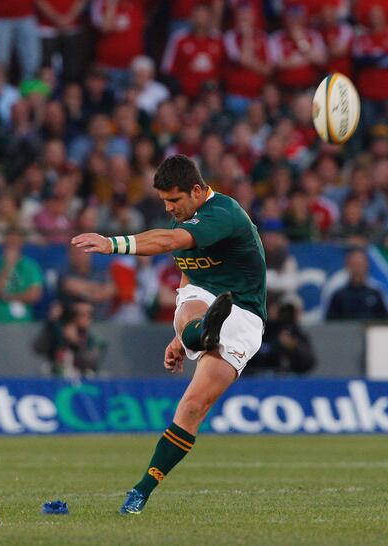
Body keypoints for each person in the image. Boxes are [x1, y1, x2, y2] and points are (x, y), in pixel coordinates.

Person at [71, 154, 266, 514]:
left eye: (174, 200)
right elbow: (189, 270)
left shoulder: (223, 213)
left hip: (244, 314)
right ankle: (198, 332)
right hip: (203, 296)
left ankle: (143, 488)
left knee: (193, 406)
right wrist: (179, 336)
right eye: (164, 201)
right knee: (190, 302)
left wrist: (112, 243)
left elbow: (166, 243)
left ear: (196, 190)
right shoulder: (184, 213)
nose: (169, 207)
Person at [0, 227, 43, 322]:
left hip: (23, 323)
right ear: (3, 243)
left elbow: (34, 295)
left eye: (15, 243)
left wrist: (7, 297)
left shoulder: (31, 266)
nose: (12, 246)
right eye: (9, 243)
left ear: (21, 244)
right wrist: (8, 266)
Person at [325, 247, 388, 321]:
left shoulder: (376, 294)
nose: (358, 268)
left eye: (360, 264)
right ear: (348, 266)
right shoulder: (338, 296)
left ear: (366, 265)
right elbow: (329, 324)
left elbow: (386, 322)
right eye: (354, 264)